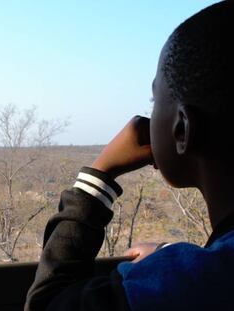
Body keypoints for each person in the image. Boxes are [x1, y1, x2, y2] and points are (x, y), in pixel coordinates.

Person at [24, 1, 234, 310]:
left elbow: (46, 304)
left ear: (182, 130)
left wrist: (99, 174)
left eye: (154, 98)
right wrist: (175, 252)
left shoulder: (187, 283)